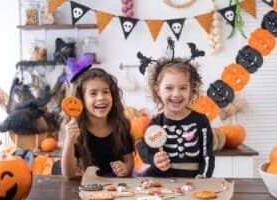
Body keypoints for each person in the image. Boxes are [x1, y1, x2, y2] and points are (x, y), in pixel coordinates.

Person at [137, 38, 214, 178]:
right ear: (157, 89)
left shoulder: (200, 121)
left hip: (194, 180)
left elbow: (207, 155)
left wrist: (204, 176)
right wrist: (154, 159)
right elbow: (143, 147)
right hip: (161, 180)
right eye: (169, 88)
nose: (176, 94)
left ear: (191, 89)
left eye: (183, 88)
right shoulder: (157, 122)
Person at [61, 66, 135, 179]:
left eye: (105, 92)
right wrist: (69, 141)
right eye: (93, 93)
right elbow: (68, 174)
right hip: (86, 185)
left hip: (115, 186)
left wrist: (125, 169)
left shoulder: (120, 126)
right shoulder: (75, 130)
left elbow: (129, 162)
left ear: (113, 96)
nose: (101, 97)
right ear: (82, 100)